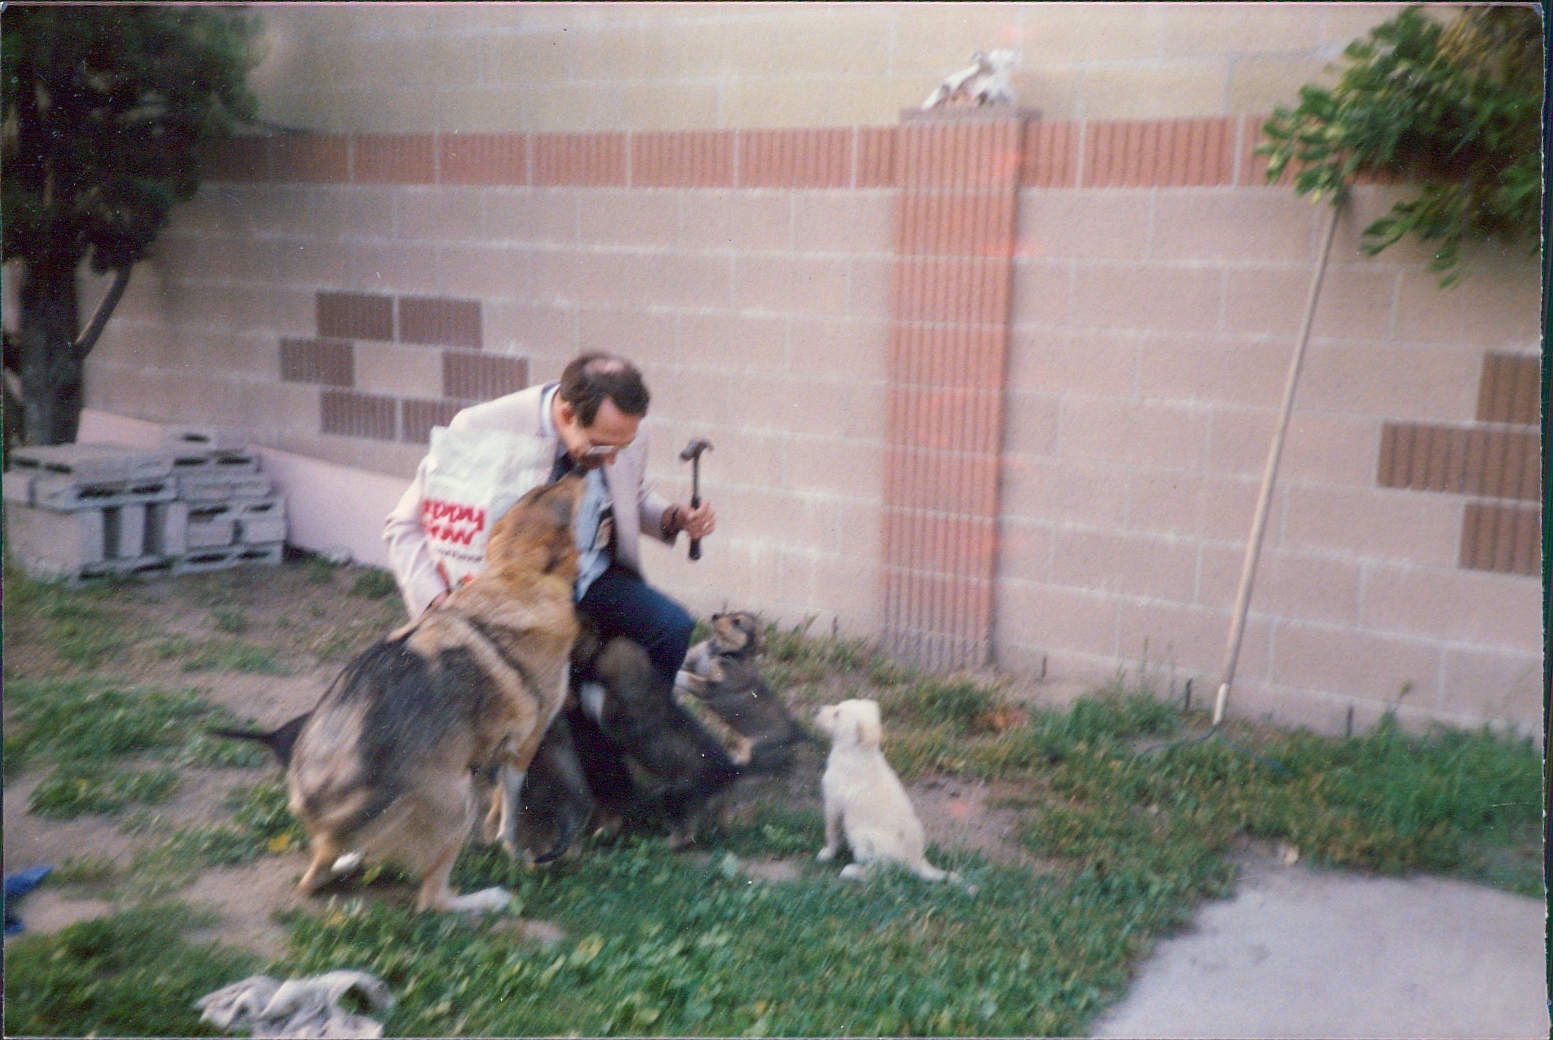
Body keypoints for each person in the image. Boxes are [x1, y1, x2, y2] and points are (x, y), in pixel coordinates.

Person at [383, 352, 715, 691]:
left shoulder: (625, 429)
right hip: (513, 601)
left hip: (591, 579)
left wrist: (674, 517)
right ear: (568, 415)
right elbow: (404, 527)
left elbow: (634, 495)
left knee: (671, 628)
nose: (614, 459)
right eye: (601, 448)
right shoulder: (480, 426)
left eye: (623, 447)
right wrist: (437, 604)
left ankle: (632, 720)